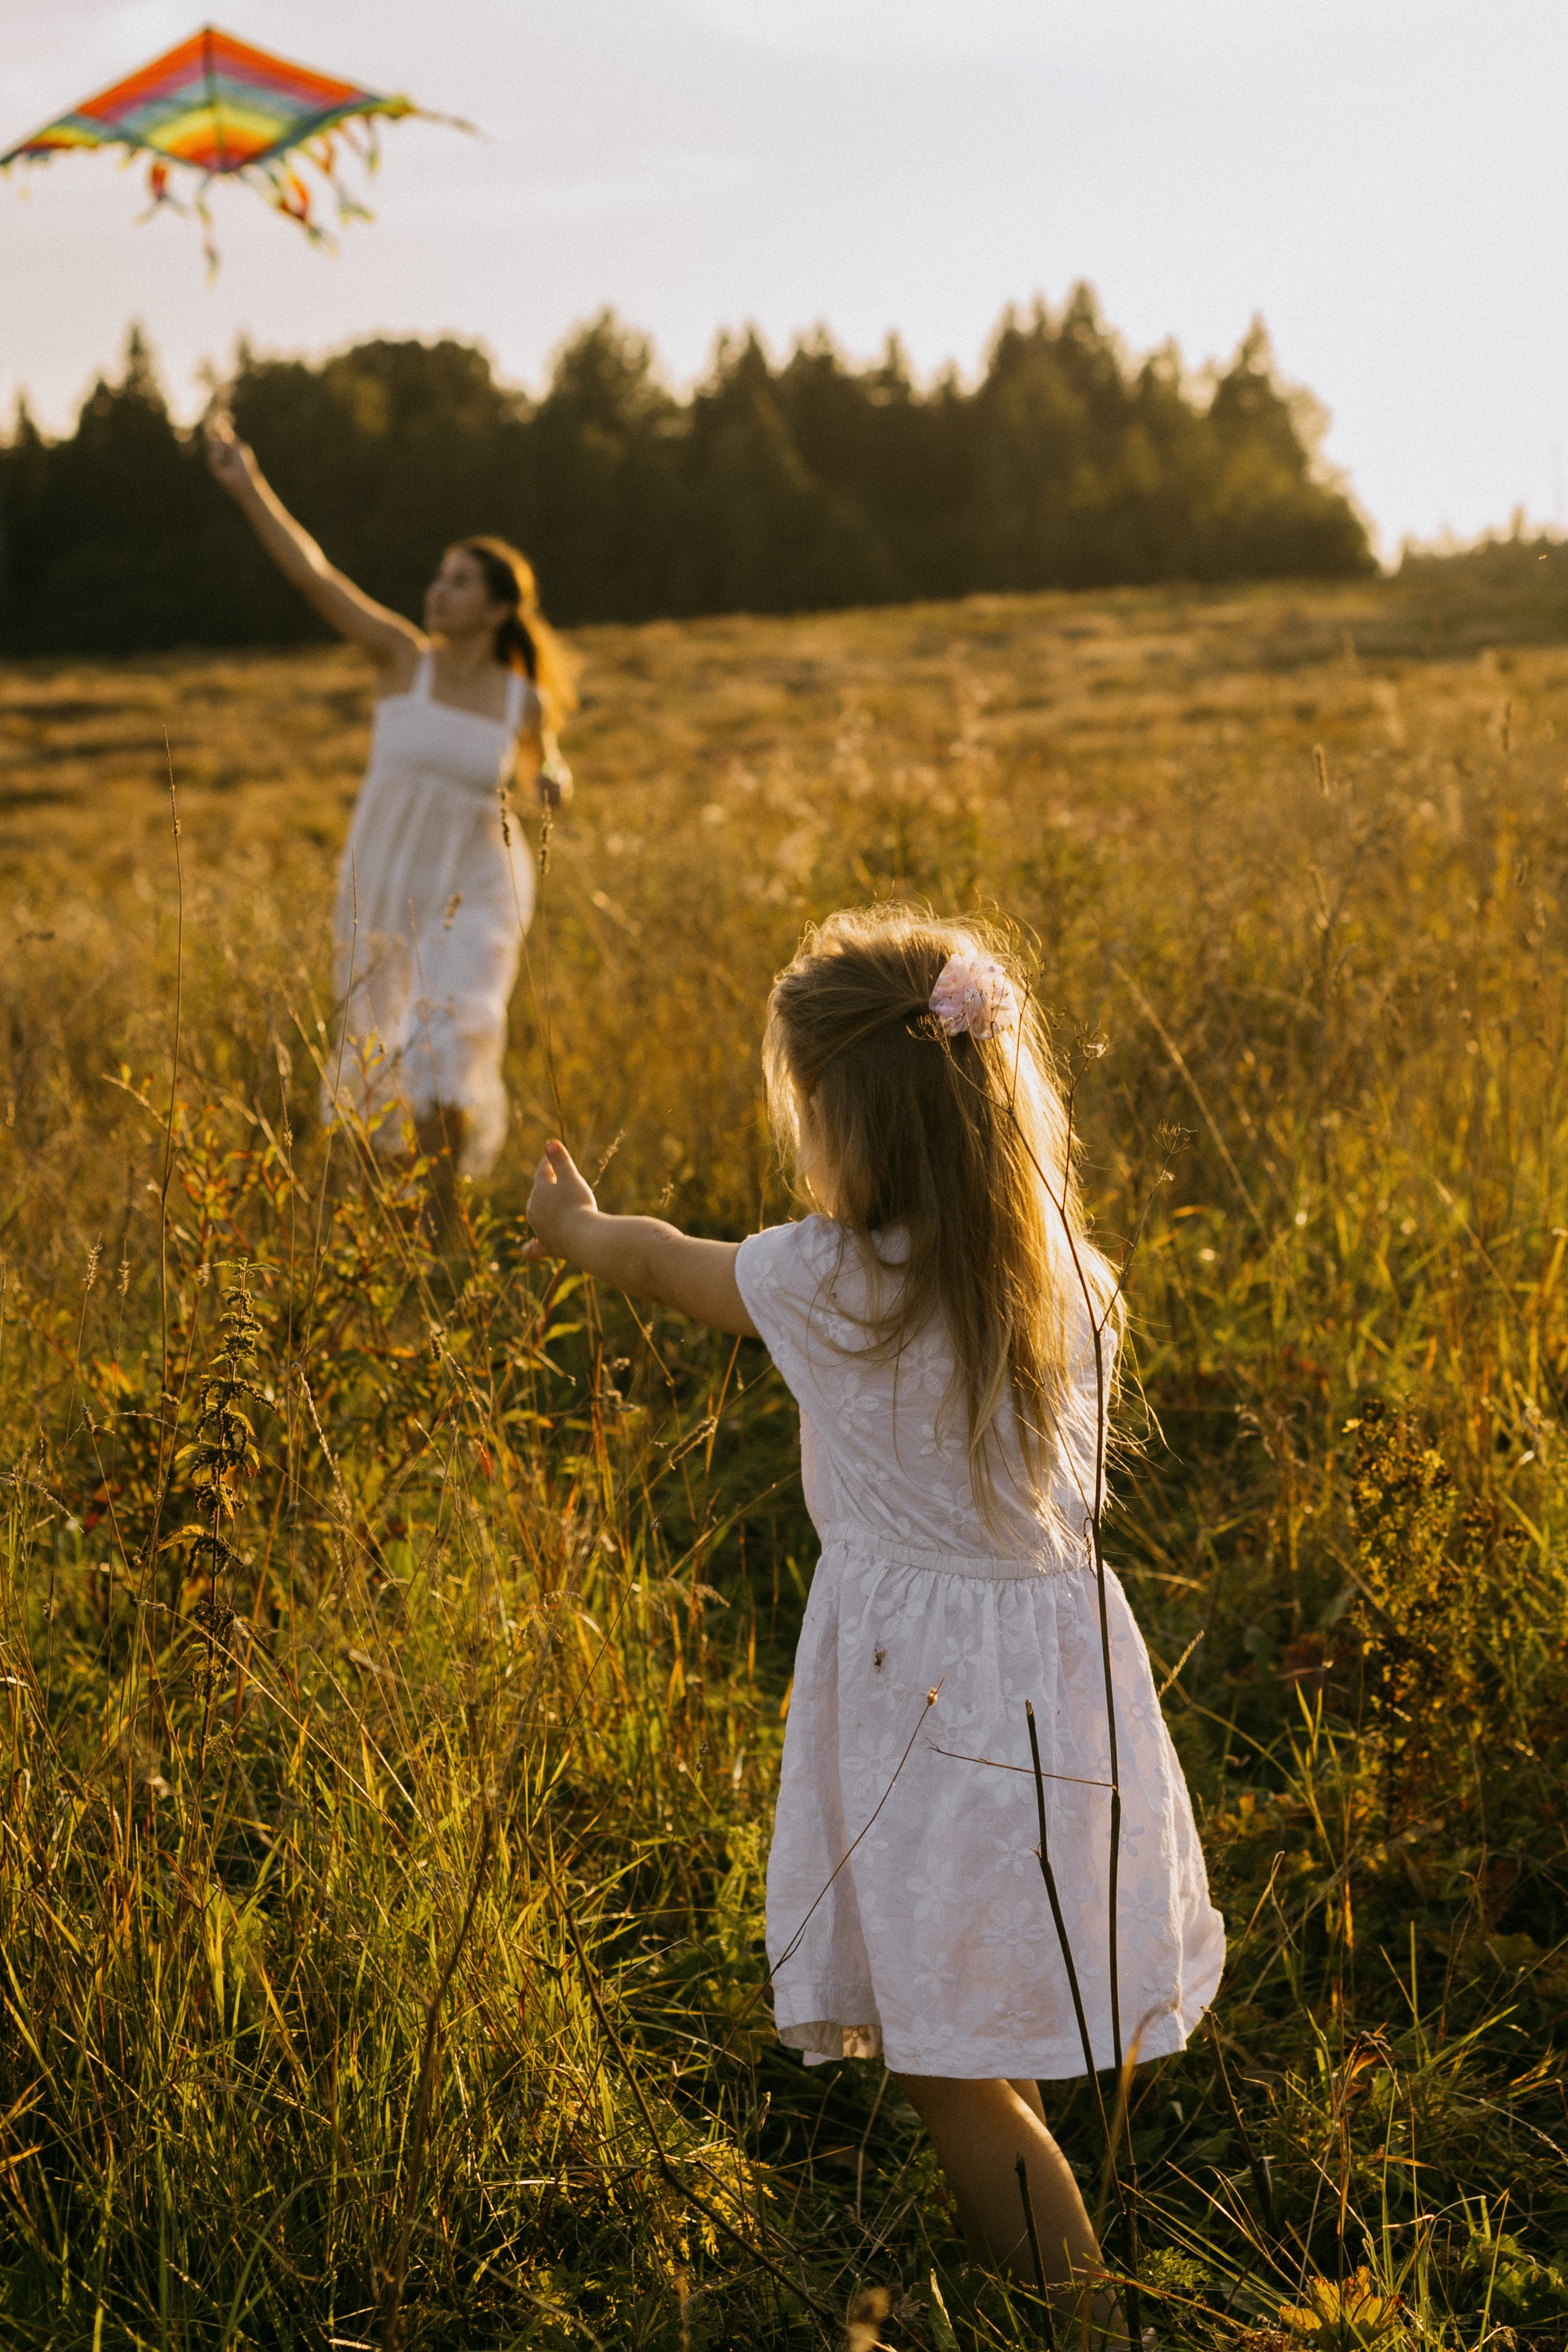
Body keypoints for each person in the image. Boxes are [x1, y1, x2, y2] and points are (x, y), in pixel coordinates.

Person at [523, 905, 1225, 2327]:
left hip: (919, 1694)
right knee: (978, 1982)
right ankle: (1055, 2280)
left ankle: (1075, 2316)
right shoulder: (1067, 1285)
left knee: (935, 2052)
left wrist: (574, 1227)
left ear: (847, 1123)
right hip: (1057, 1672)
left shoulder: (824, 1282)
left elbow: (662, 1261)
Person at [206, 420, 578, 1179]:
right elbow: (315, 579)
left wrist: (554, 781)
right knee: (379, 1046)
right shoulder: (400, 658)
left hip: (479, 885)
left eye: (460, 582)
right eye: (439, 577)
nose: (438, 592)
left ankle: (442, 1220)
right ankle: (383, 1222)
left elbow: (549, 765)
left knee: (453, 1033)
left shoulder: (521, 701)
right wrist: (245, 482)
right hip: (386, 881)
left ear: (498, 609)